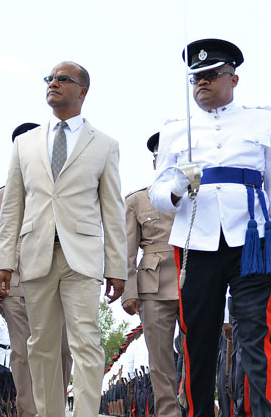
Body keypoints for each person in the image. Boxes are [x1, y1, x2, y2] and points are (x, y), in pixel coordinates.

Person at [150, 38, 271, 416]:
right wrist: (177, 188)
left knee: (255, 336)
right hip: (195, 242)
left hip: (253, 240)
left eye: (212, 75)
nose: (202, 83)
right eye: (196, 77)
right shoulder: (175, 129)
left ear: (234, 78)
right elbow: (157, 195)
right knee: (198, 339)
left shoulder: (263, 120)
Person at [0, 61, 127, 416]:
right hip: (36, 255)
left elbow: (113, 211)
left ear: (82, 91)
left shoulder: (104, 145)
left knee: (87, 342)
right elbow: (12, 208)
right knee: (42, 346)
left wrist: (117, 267)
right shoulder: (25, 144)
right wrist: (4, 261)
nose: (53, 83)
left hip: (81, 257)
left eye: (63, 79)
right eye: (49, 78)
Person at [0, 121, 73, 416]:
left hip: (58, 285)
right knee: (23, 354)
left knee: (62, 352)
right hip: (16, 287)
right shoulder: (1, 196)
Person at [121, 131, 179, 417]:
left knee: (200, 355)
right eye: (161, 157)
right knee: (160, 360)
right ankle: (169, 413)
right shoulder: (137, 200)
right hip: (154, 285)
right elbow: (127, 252)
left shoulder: (198, 194)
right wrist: (129, 292)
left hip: (194, 278)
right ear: (155, 162)